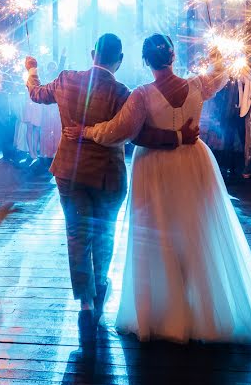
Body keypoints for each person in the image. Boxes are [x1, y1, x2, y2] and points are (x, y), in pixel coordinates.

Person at [65, 34, 251, 343]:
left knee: (158, 234)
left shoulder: (142, 94)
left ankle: (163, 314)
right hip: (193, 161)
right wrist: (217, 49)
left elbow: (119, 131)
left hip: (155, 167)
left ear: (145, 61)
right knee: (196, 232)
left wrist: (87, 131)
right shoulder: (197, 85)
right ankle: (203, 312)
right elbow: (221, 73)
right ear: (174, 57)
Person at [25, 33, 198, 344]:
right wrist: (179, 137)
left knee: (77, 235)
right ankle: (100, 288)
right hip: (108, 175)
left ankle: (86, 302)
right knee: (104, 235)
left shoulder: (65, 80)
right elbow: (139, 135)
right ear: (118, 61)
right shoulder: (123, 92)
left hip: (70, 173)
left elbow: (36, 94)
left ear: (93, 53)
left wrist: (31, 70)